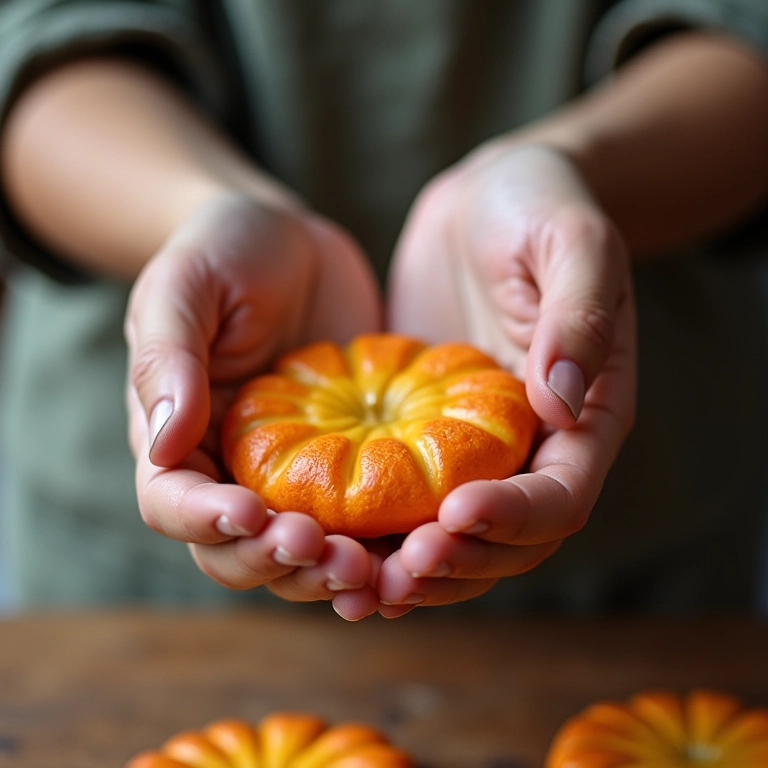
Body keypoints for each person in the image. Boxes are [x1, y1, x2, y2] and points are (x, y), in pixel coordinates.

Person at [0, 1, 767, 621]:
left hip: (637, 551)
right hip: (131, 579)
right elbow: (39, 36)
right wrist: (195, 211)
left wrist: (575, 174)